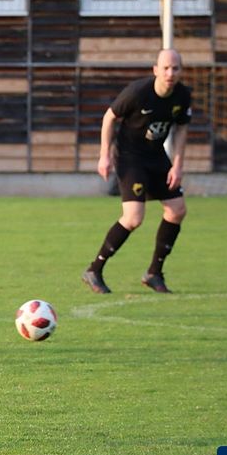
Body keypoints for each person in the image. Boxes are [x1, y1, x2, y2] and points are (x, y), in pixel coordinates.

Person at [82, 49, 191, 295]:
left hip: (156, 157)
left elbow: (182, 128)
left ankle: (154, 273)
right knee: (133, 218)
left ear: (181, 71)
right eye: (165, 68)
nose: (170, 73)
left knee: (177, 210)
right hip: (130, 157)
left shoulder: (183, 95)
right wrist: (104, 155)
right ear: (155, 70)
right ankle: (94, 269)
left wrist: (178, 165)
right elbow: (109, 117)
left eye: (175, 68)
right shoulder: (138, 92)